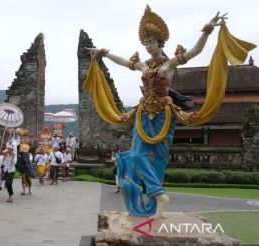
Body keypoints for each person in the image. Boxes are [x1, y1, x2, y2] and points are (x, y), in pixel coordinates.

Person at [83, 6, 253, 219]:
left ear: (160, 43)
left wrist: (207, 31)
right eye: (145, 43)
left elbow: (195, 52)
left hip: (164, 114)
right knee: (137, 154)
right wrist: (103, 54)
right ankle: (159, 194)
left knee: (158, 158)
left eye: (151, 42)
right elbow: (124, 62)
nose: (148, 47)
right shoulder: (143, 66)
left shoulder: (170, 63)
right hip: (143, 113)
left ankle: (156, 205)